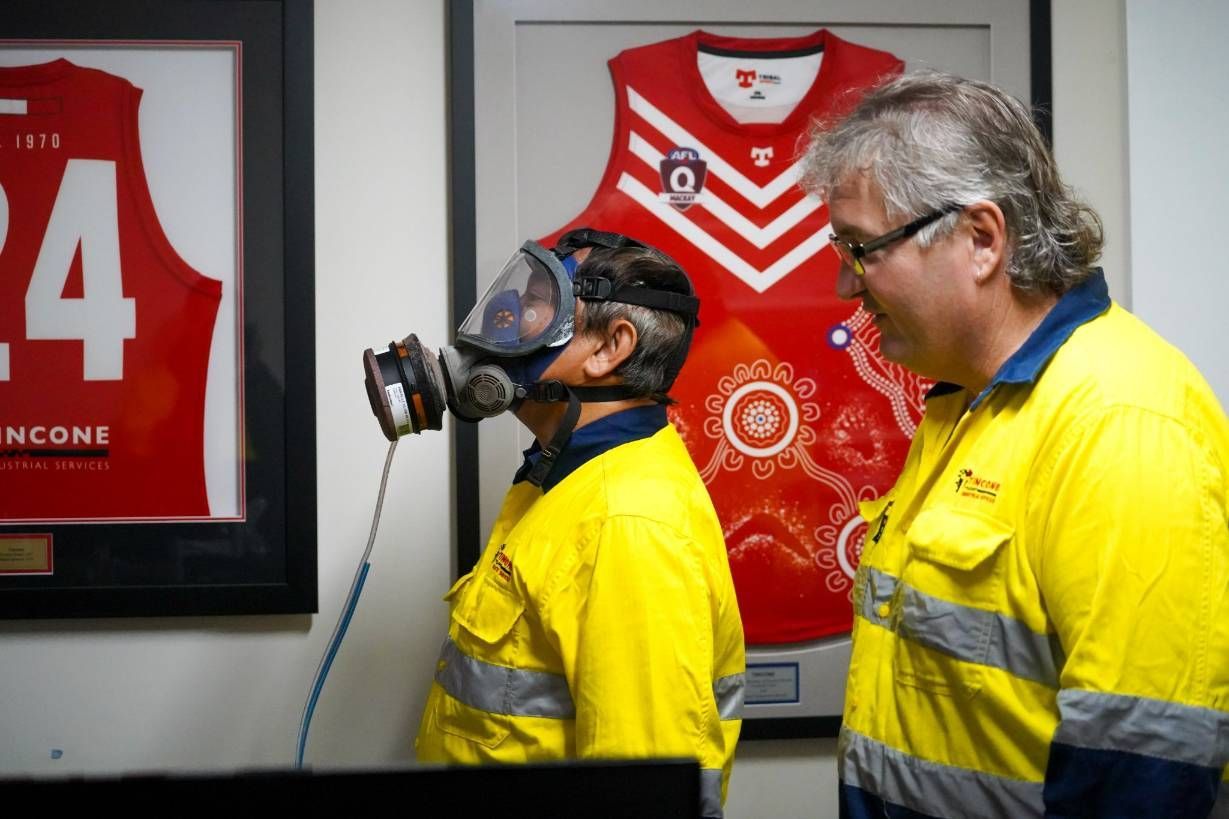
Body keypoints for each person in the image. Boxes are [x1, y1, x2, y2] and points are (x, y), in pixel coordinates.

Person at [800, 72, 1229, 818]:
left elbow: (1137, 773)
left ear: (980, 239)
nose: (845, 283)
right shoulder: (965, 403)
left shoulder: (1120, 419)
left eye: (863, 248)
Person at [414, 230, 745, 819]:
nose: (507, 324)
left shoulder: (629, 524)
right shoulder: (561, 474)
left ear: (608, 349)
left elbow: (642, 791)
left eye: (537, 308)